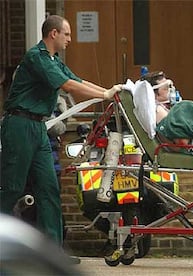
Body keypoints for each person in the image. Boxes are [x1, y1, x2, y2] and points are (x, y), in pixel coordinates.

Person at [0, 15, 122, 247]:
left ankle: (52, 253)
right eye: (66, 34)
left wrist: (109, 91)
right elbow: (67, 86)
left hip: (38, 127)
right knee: (12, 187)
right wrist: (103, 95)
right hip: (19, 124)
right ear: (53, 34)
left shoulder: (54, 60)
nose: (70, 39)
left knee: (48, 188)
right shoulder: (37, 57)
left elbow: (78, 80)